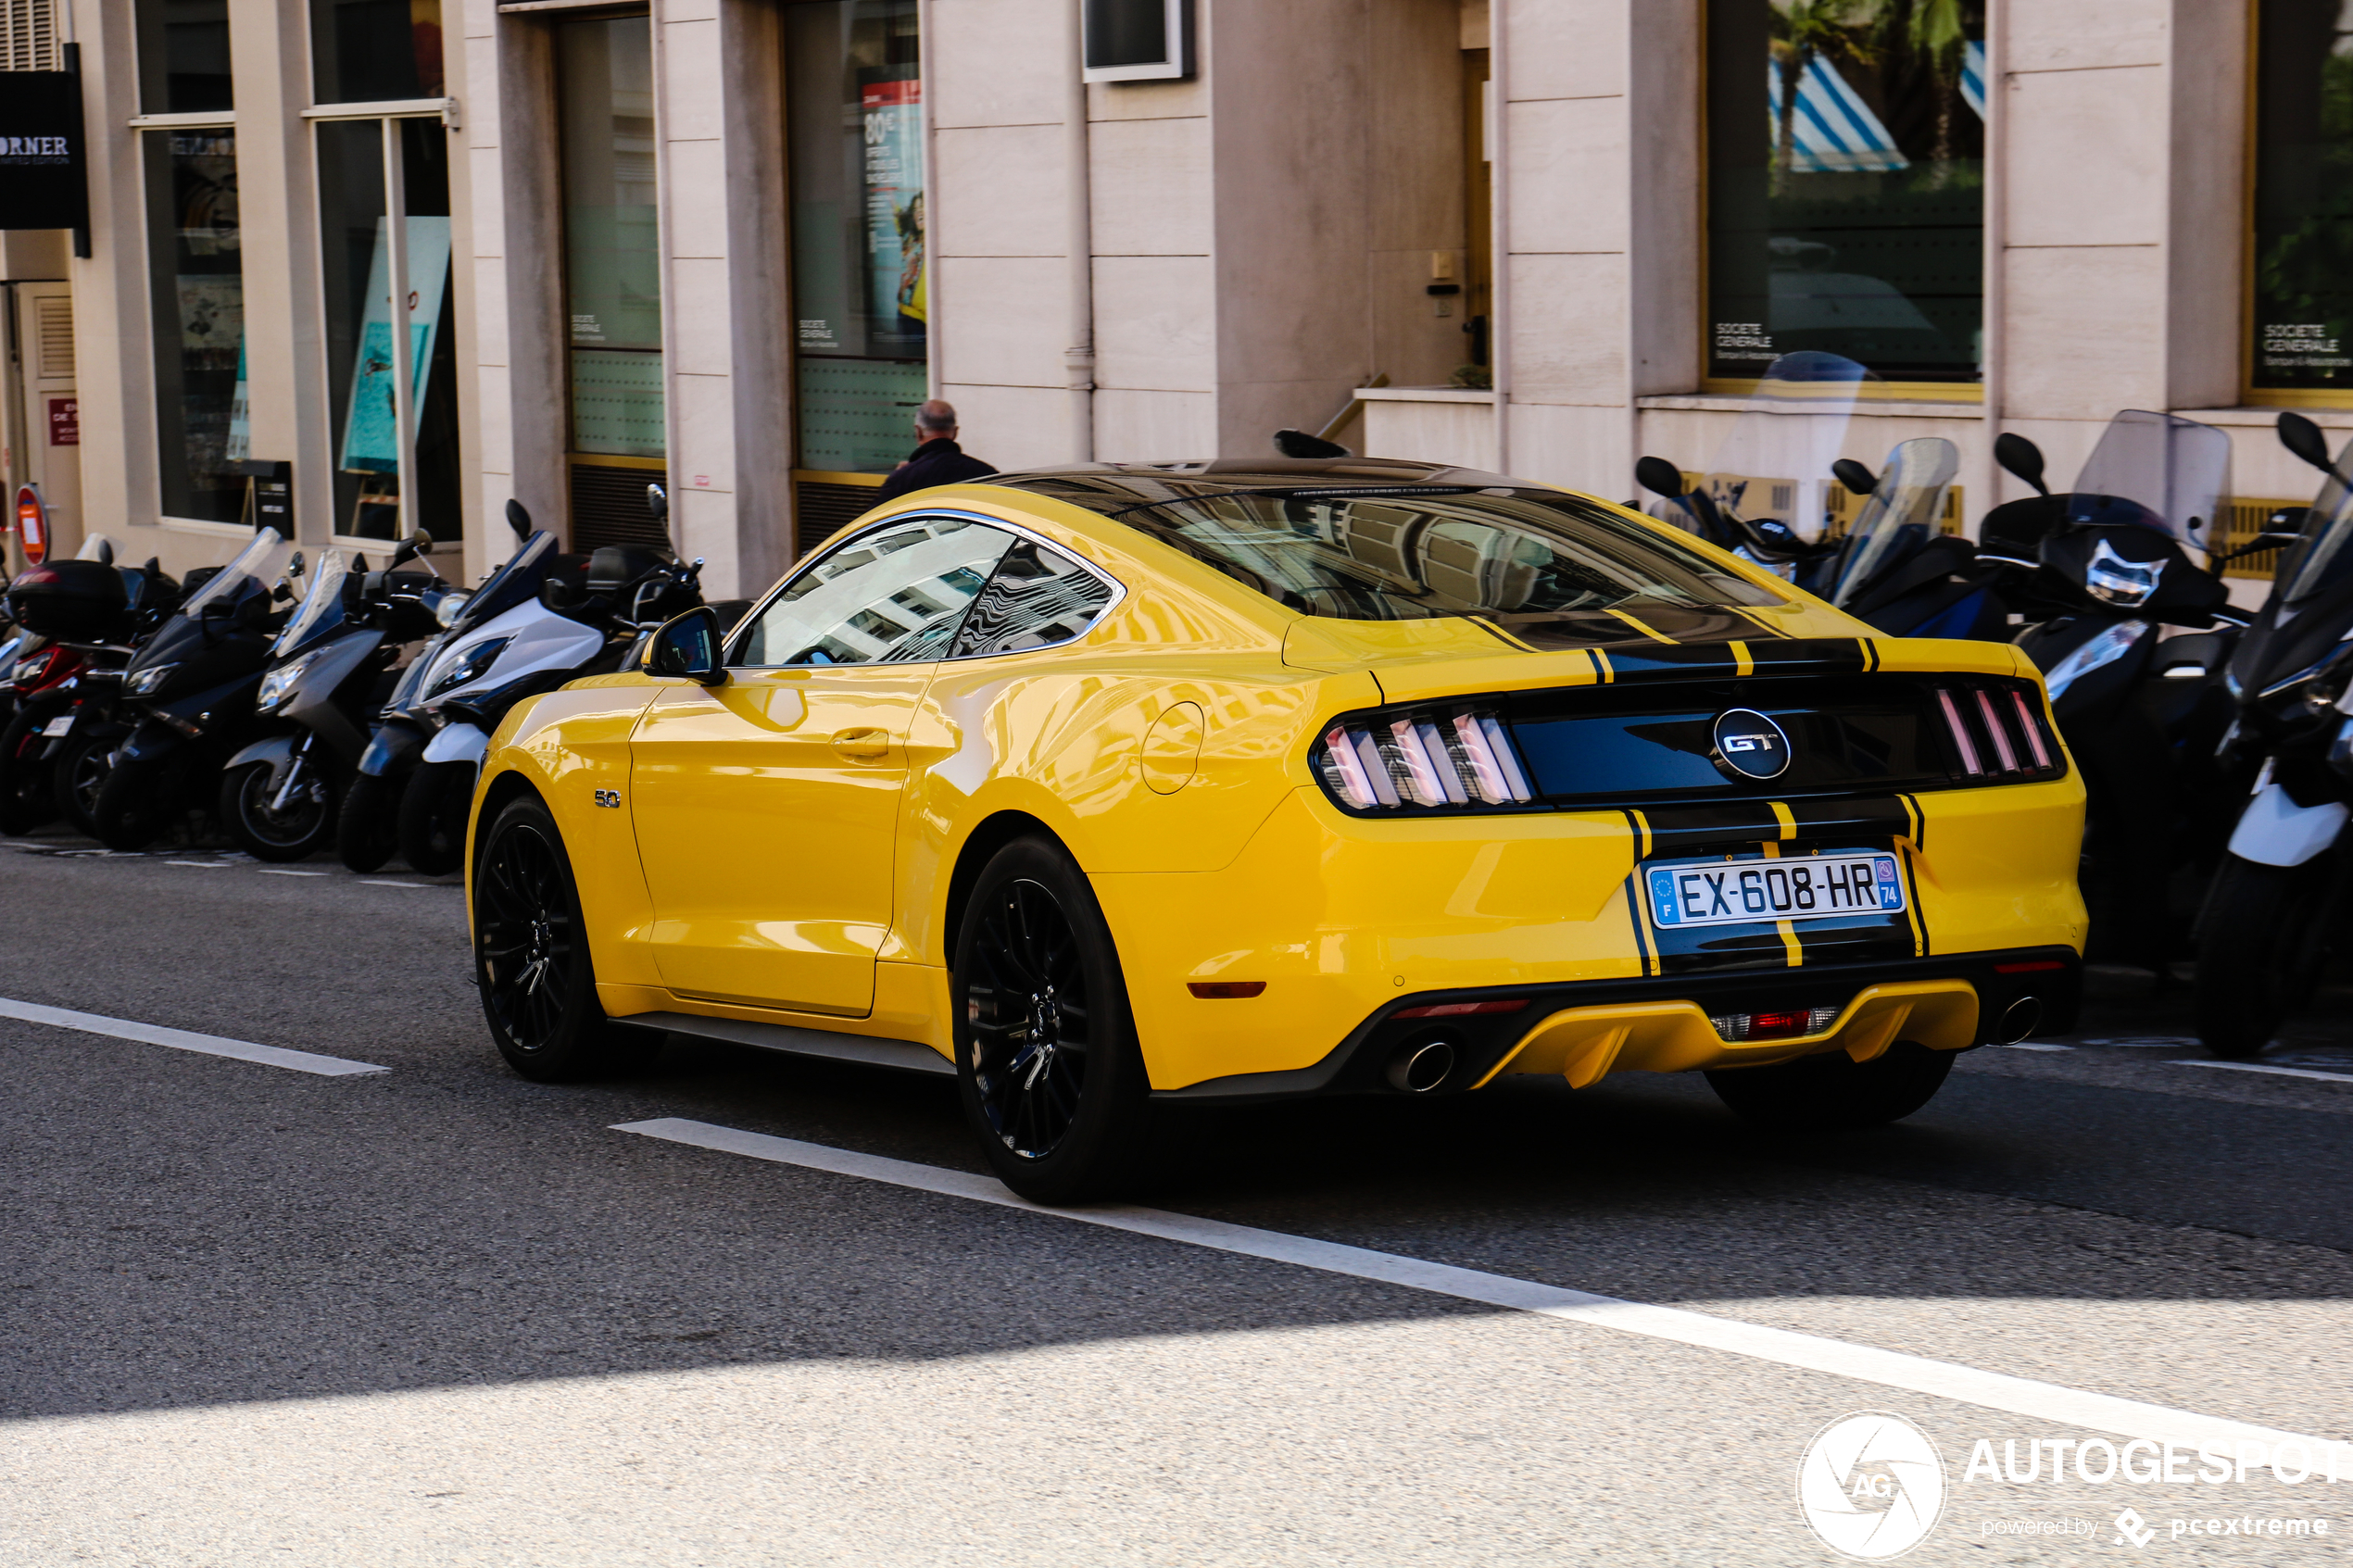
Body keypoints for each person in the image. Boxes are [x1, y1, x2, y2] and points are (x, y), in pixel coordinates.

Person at [872, 399, 996, 503]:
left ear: (918, 432)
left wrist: (900, 476)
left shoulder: (902, 480)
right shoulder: (987, 475)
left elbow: (874, 524)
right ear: (955, 432)